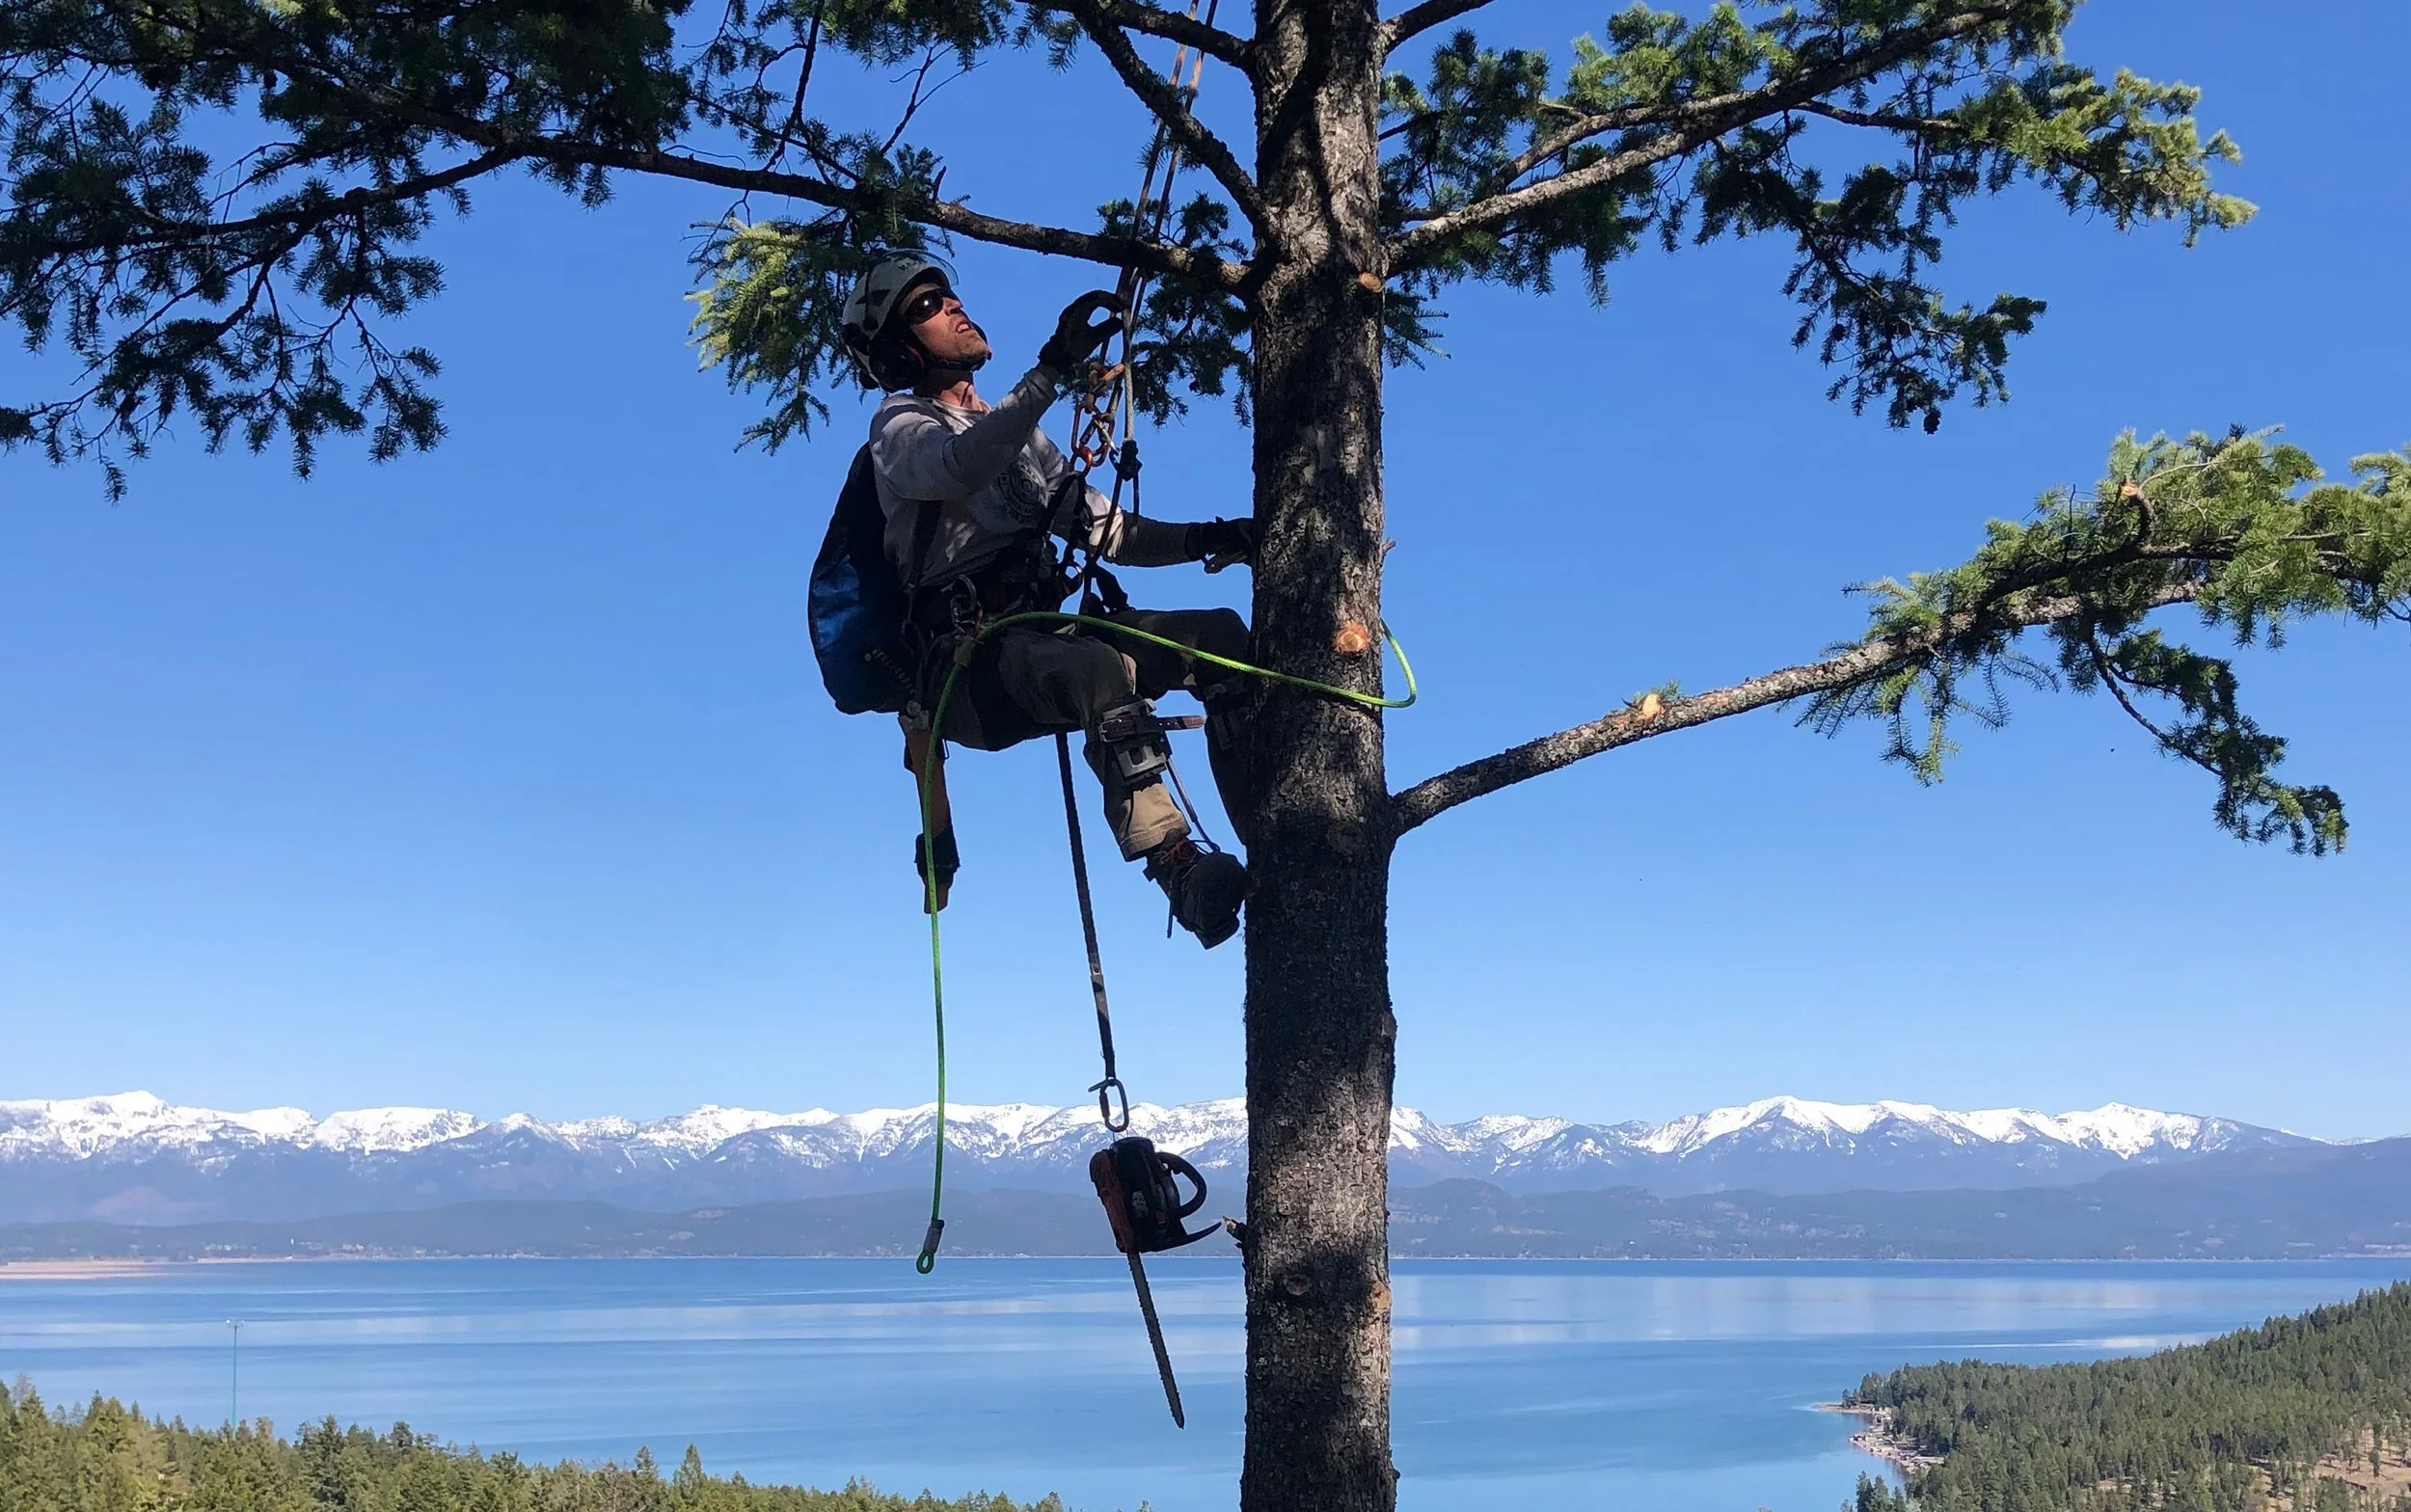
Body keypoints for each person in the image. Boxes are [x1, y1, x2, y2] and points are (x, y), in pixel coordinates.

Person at [840, 255, 1260, 948]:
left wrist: (1214, 537)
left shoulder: (1016, 434)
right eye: (924, 308)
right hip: (968, 675)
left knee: (1218, 638)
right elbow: (961, 464)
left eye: (947, 294)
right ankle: (1177, 868)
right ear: (900, 351)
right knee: (1098, 668)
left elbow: (1107, 529)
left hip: (1045, 640)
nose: (950, 306)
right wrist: (1052, 369)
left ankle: (1269, 832)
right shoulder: (899, 427)